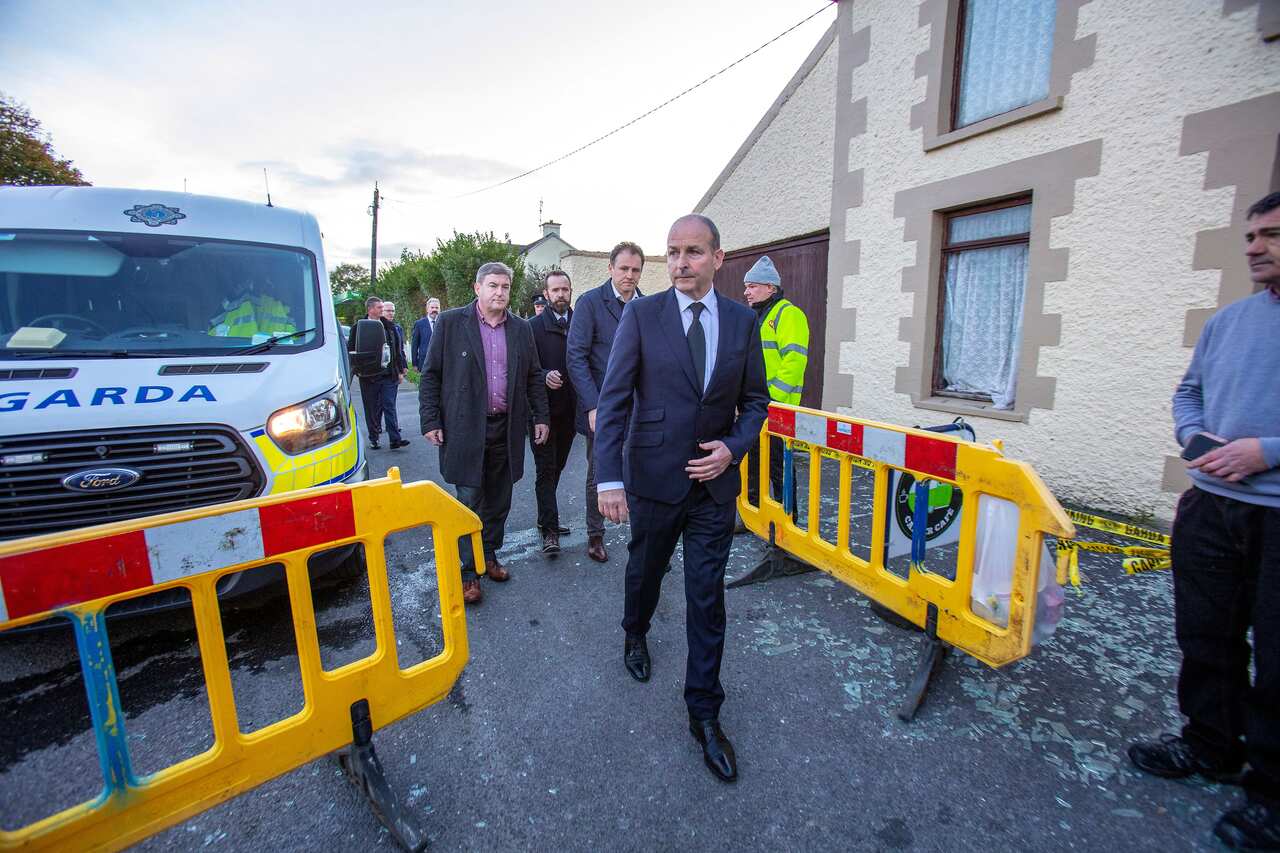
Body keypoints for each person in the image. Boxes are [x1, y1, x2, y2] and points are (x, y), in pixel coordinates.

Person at [1129, 191, 1280, 851]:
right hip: (1211, 506)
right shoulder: (1231, 320)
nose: (1253, 246)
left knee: (1277, 659)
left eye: (1271, 234)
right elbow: (1188, 389)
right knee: (1206, 634)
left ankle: (1270, 794)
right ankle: (1209, 743)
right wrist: (1193, 431)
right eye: (1250, 234)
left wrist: (1266, 452)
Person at [595, 214, 768, 783]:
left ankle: (705, 715)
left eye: (693, 252)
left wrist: (734, 449)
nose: (679, 263)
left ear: (719, 258)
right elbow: (615, 398)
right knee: (645, 570)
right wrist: (608, 480)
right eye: (672, 252)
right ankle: (634, 631)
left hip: (713, 488)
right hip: (653, 478)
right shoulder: (644, 315)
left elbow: (757, 403)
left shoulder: (743, 323)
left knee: (706, 598)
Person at [420, 262, 550, 605]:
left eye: (505, 287)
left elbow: (534, 376)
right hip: (465, 429)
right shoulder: (450, 323)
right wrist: (430, 419)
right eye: (493, 285)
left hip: (506, 429)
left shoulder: (521, 329)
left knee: (499, 500)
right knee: (468, 501)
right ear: (477, 288)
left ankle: (489, 555)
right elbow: (431, 375)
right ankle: (468, 573)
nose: (500, 293)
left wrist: (541, 417)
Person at [566, 241, 645, 563]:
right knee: (599, 472)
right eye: (623, 268)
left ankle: (644, 535)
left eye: (635, 269)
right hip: (603, 407)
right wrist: (593, 406)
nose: (629, 275)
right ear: (610, 269)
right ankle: (595, 535)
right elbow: (576, 357)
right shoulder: (590, 304)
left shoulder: (647, 306)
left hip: (642, 409)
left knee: (642, 470)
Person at [741, 255, 809, 520]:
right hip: (757, 407)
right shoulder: (755, 316)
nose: (746, 291)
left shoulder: (788, 314)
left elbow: (794, 361)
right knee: (755, 464)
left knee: (780, 467)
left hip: (777, 409)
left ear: (771, 287)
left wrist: (771, 399)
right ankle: (755, 517)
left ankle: (788, 522)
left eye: (753, 286)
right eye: (746, 286)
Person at [528, 272, 578, 555]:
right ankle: (550, 531)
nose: (561, 294)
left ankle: (544, 518)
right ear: (546, 294)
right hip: (541, 414)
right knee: (545, 470)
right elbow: (525, 368)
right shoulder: (532, 327)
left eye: (565, 289)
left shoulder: (579, 323)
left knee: (556, 467)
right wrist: (545, 375)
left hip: (570, 412)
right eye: (555, 290)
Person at [348, 296, 408, 450]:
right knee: (372, 408)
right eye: (380, 308)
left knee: (389, 405)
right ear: (370, 309)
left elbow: (397, 349)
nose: (383, 310)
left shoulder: (389, 327)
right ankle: (374, 437)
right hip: (369, 376)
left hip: (389, 374)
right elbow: (351, 350)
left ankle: (395, 439)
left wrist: (401, 369)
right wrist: (357, 369)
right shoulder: (358, 327)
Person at [411, 297, 441, 372]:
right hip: (424, 362)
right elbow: (415, 345)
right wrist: (414, 363)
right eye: (432, 307)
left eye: (437, 308)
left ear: (440, 309)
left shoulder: (444, 323)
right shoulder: (419, 324)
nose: (434, 310)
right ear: (427, 309)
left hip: (442, 362)